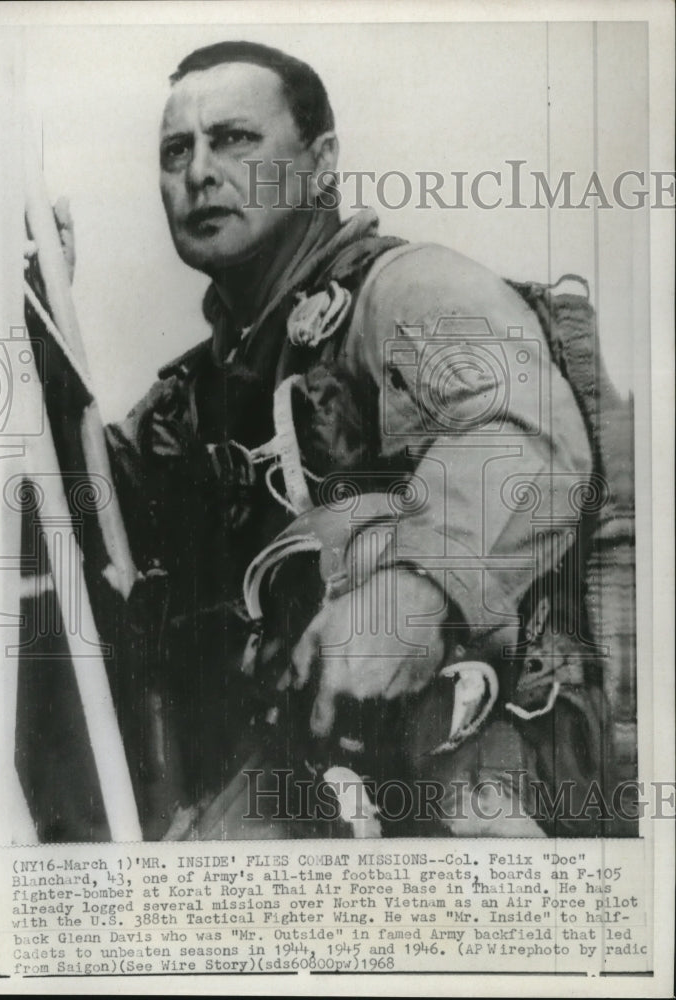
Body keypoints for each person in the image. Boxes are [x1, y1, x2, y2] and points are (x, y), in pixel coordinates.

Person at [56, 41, 607, 839]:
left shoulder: (409, 288)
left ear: (320, 163)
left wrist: (411, 590)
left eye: (235, 138)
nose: (199, 172)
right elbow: (82, 515)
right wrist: (38, 333)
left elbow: (526, 437)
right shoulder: (194, 396)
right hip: (286, 783)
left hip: (463, 783)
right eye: (177, 151)